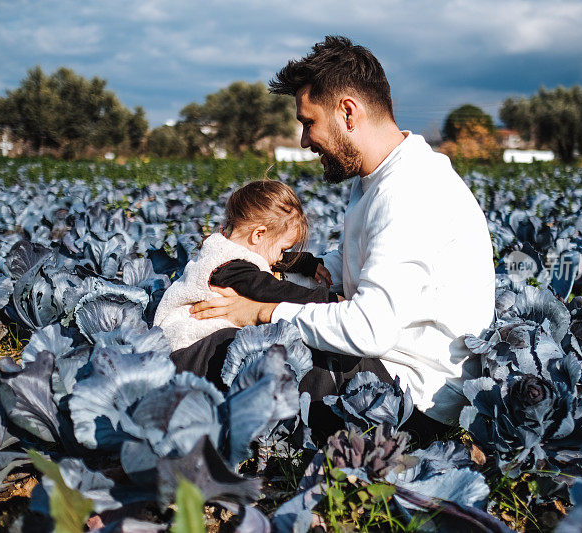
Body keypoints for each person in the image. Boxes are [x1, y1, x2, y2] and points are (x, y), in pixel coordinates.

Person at [191, 36, 495, 433]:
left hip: (410, 398)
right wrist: (287, 270)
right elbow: (364, 259)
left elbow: (371, 329)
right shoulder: (378, 177)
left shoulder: (410, 189)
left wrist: (265, 311)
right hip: (389, 365)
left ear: (348, 111)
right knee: (233, 342)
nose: (304, 141)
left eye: (308, 122)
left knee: (225, 353)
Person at [154, 180, 341, 386]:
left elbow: (267, 264)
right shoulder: (230, 266)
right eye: (283, 249)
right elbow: (273, 291)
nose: (281, 258)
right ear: (258, 234)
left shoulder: (228, 253)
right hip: (188, 353)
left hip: (194, 352)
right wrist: (328, 300)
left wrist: (306, 263)